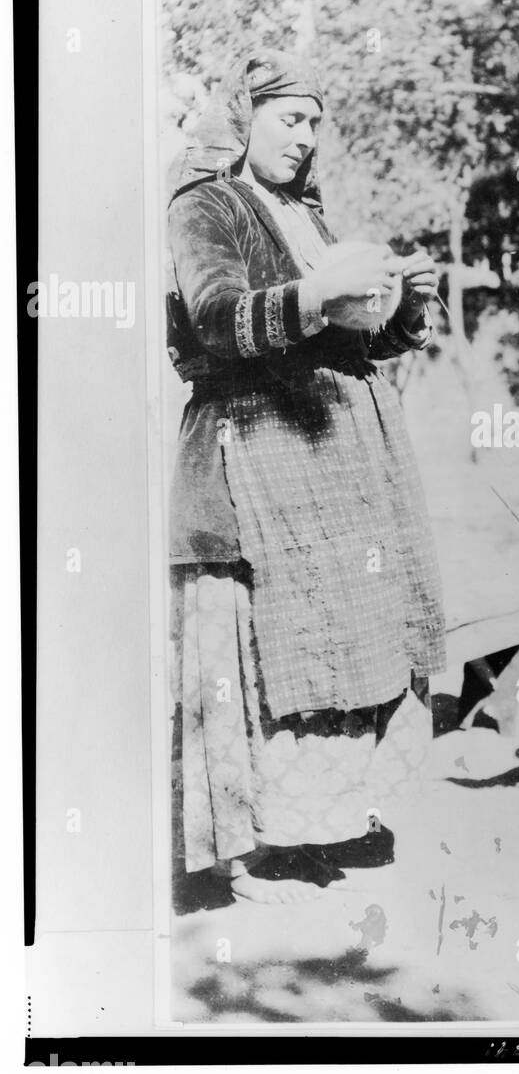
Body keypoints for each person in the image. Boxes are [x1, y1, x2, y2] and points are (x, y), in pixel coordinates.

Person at [166, 48, 446, 904]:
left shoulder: (305, 214)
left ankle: (311, 825)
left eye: (316, 120)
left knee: (342, 632)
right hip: (246, 455)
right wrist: (322, 292)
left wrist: (403, 309)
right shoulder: (205, 206)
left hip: (331, 460)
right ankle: (241, 854)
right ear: (242, 119)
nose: (308, 135)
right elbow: (215, 321)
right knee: (252, 645)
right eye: (291, 117)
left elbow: (345, 337)